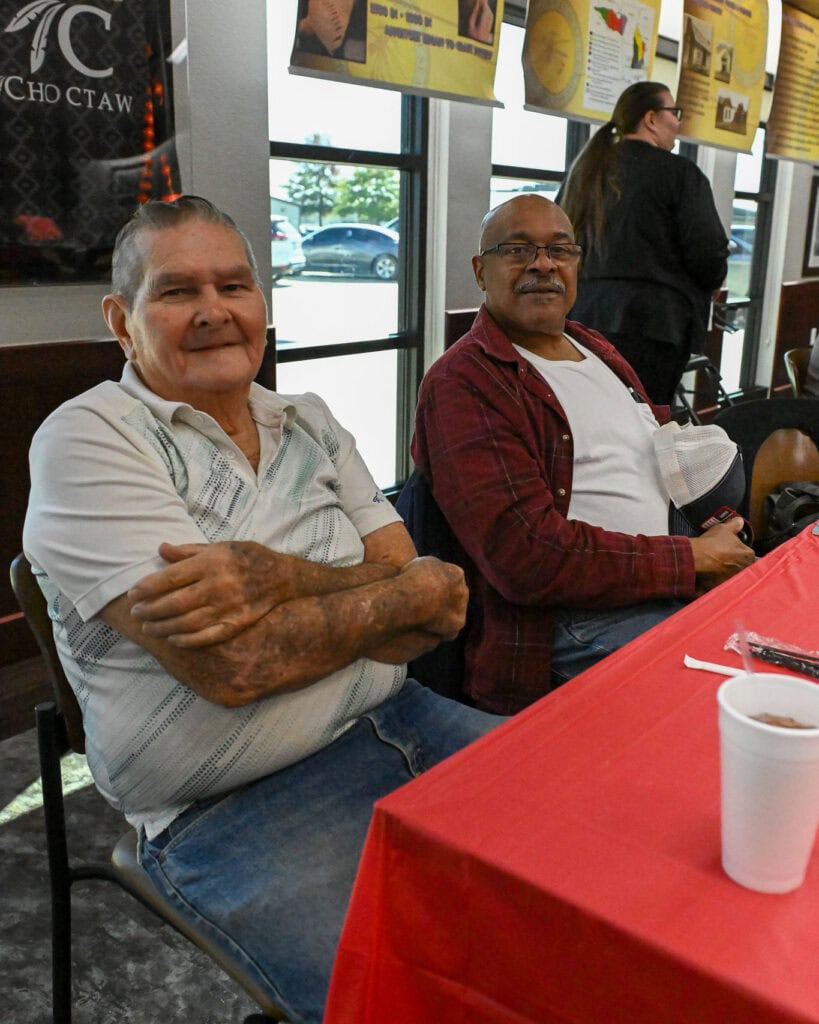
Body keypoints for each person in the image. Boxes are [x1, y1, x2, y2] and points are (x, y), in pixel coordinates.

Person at [23, 195, 501, 1024]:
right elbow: (235, 666)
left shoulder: (308, 421)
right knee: (408, 1004)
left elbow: (437, 604)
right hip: (232, 808)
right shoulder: (91, 437)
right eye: (176, 292)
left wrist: (271, 577)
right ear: (121, 319)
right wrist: (391, 596)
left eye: (234, 287)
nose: (214, 312)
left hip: (405, 717)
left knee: (582, 880)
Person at [410, 194, 754, 714]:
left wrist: (709, 529)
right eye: (518, 249)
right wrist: (689, 560)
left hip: (661, 574)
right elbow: (525, 558)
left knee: (784, 653)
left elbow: (648, 459)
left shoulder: (595, 348)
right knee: (728, 703)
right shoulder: (465, 382)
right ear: (481, 270)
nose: (543, 264)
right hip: (565, 621)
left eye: (559, 250)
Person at [557, 81, 729, 407]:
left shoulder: (585, 171)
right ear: (651, 119)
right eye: (674, 112)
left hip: (581, 317)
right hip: (654, 324)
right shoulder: (679, 174)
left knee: (588, 416)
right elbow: (707, 249)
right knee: (644, 421)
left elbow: (558, 240)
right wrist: (712, 282)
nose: (678, 123)